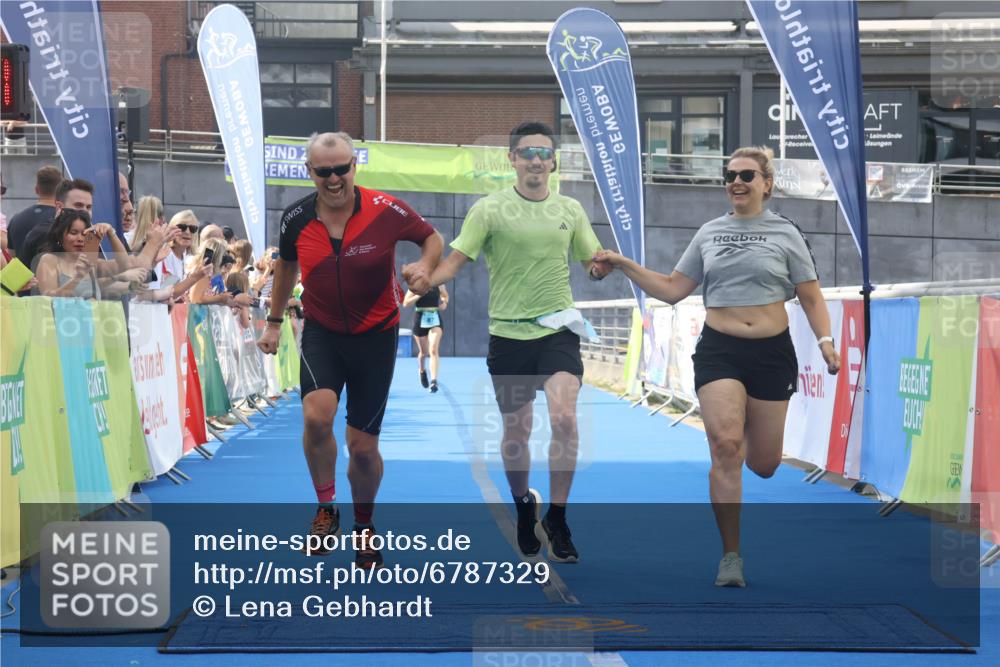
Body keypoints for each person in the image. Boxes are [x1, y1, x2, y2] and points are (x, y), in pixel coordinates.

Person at [593, 146, 841, 587]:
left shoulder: (787, 233)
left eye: (747, 174)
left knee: (764, 464)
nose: (736, 182)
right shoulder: (709, 233)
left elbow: (810, 295)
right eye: (729, 175)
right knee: (726, 446)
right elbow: (672, 290)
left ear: (767, 182)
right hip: (720, 350)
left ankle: (747, 423)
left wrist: (825, 341)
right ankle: (731, 557)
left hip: (771, 353)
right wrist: (624, 264)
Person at [412, 121, 610, 563]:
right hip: (508, 334)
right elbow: (456, 261)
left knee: (563, 419)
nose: (536, 160)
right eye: (527, 153)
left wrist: (601, 267)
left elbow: (589, 262)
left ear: (554, 160)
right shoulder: (489, 209)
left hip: (558, 329)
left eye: (544, 152)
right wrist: (427, 275)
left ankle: (557, 516)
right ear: (512, 159)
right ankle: (524, 505)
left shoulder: (571, 209)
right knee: (517, 431)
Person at [256, 131, 443, 569]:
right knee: (316, 417)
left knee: (362, 447)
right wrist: (274, 321)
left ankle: (364, 525)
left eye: (343, 168)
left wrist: (424, 267)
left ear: (354, 166)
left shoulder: (385, 209)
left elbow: (431, 239)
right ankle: (326, 508)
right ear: (311, 173)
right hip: (322, 332)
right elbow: (285, 267)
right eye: (325, 172)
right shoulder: (296, 218)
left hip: (375, 336)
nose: (335, 179)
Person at [34, 209, 131, 299]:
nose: (80, 239)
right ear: (60, 236)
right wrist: (77, 278)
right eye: (74, 233)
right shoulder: (49, 260)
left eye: (84, 234)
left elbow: (125, 265)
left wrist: (110, 232)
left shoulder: (91, 264)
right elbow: (49, 300)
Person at [402, 285, 449, 393]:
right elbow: (406, 303)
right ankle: (422, 370)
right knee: (424, 353)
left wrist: (444, 302)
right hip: (420, 319)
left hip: (435, 319)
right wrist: (419, 294)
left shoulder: (439, 283)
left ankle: (433, 381)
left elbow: (445, 295)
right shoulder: (416, 284)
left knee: (433, 349)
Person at [8, 165, 61, 258]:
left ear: (37, 190)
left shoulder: (15, 220)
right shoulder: (64, 220)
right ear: (60, 191)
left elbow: (12, 256)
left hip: (23, 272)